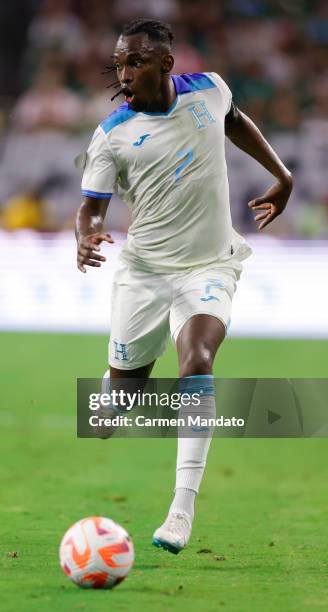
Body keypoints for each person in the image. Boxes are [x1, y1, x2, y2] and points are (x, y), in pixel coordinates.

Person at [75, 18, 293, 554]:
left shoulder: (209, 90)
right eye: (119, 63)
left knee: (197, 359)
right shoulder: (111, 135)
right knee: (113, 410)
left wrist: (282, 176)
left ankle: (181, 509)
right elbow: (90, 208)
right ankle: (115, 382)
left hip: (210, 267)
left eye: (135, 62)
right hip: (144, 275)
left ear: (166, 64)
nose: (123, 73)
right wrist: (86, 236)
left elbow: (235, 122)